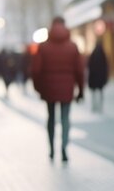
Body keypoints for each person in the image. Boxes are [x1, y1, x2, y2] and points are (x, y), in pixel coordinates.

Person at [31, 16, 84, 162]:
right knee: (65, 118)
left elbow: (35, 70)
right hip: (67, 88)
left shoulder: (43, 47)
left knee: (51, 118)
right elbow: (80, 71)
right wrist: (80, 90)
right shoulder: (73, 46)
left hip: (48, 87)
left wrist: (38, 88)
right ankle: (64, 148)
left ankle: (52, 149)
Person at [87, 39, 109, 113]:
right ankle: (100, 107)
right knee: (100, 92)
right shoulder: (103, 54)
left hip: (94, 77)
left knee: (94, 93)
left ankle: (94, 106)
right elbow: (106, 67)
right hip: (100, 78)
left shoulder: (93, 54)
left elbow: (89, 66)